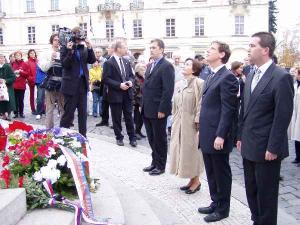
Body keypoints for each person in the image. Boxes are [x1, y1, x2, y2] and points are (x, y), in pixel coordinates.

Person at [237, 32, 294, 225]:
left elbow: (282, 116)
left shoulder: (281, 77)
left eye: (252, 45)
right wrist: (240, 136)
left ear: (265, 50)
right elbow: (244, 109)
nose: (248, 49)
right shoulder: (251, 73)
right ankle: (256, 220)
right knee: (251, 189)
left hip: (267, 148)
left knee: (266, 195)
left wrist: (274, 147)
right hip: (249, 145)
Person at [197, 41, 238, 223]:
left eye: (212, 49)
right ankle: (215, 201)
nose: (208, 50)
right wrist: (201, 130)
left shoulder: (227, 77)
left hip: (218, 135)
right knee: (211, 171)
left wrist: (221, 134)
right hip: (207, 132)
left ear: (222, 54)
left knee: (221, 172)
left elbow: (228, 110)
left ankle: (223, 209)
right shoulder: (211, 75)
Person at [169, 58, 204, 194]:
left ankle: (196, 181)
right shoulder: (178, 84)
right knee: (182, 152)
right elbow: (174, 104)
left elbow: (201, 104)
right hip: (179, 123)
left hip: (191, 124)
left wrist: (198, 121)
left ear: (194, 69)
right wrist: (173, 119)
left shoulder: (199, 83)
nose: (184, 65)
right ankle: (191, 179)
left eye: (188, 64)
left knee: (192, 152)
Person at [142, 39, 175, 176]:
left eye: (154, 47)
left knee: (159, 138)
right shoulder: (150, 65)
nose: (151, 50)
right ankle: (154, 162)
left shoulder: (166, 66)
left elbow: (168, 90)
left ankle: (161, 165)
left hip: (158, 110)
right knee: (151, 137)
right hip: (147, 108)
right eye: (150, 47)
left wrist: (163, 109)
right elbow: (147, 87)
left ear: (161, 49)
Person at [59, 27, 96, 137]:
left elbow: (92, 60)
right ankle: (61, 135)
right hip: (70, 86)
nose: (80, 38)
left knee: (83, 114)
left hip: (82, 84)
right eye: (78, 35)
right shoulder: (65, 47)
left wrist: (89, 48)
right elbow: (65, 65)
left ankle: (83, 137)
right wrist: (70, 51)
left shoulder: (82, 47)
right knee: (69, 114)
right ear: (73, 35)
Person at [102, 40, 137, 147]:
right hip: (115, 94)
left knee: (129, 117)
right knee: (116, 117)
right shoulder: (109, 62)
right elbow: (105, 79)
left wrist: (130, 82)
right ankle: (119, 137)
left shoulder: (126, 61)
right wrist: (119, 85)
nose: (126, 49)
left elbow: (131, 75)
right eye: (124, 47)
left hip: (127, 94)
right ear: (118, 49)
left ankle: (132, 138)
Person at [39, 33, 65, 128]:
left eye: (59, 40)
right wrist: (51, 60)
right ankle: (49, 130)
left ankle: (63, 129)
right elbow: (43, 68)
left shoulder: (64, 52)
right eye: (55, 40)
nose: (57, 41)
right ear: (51, 41)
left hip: (63, 83)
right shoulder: (46, 53)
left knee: (63, 108)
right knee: (49, 109)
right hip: (51, 82)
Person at [96, 43, 114, 127]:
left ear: (114, 49)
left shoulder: (115, 59)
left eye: (109, 48)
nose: (107, 49)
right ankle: (104, 120)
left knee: (113, 106)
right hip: (105, 85)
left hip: (112, 86)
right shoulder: (107, 58)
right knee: (104, 104)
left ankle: (114, 122)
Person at [11, 50, 29, 118]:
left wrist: (21, 72)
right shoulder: (13, 64)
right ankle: (16, 113)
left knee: (21, 100)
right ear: (15, 57)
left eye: (19, 55)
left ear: (21, 56)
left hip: (22, 85)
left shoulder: (24, 64)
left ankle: (21, 113)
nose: (18, 57)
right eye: (16, 55)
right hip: (14, 85)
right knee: (15, 100)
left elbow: (27, 74)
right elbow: (11, 73)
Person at [231, 61, 245, 144]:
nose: (242, 69)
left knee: (236, 119)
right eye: (240, 68)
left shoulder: (241, 77)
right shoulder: (230, 76)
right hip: (231, 100)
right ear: (235, 68)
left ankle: (235, 139)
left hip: (238, 100)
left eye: (242, 68)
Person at [0, 54, 16, 120]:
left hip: (8, 87)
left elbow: (13, 77)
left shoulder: (8, 66)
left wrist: (5, 80)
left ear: (4, 59)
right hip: (0, 88)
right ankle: (3, 114)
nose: (1, 59)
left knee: (8, 101)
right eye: (0, 58)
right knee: (1, 101)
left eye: (2, 58)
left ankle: (9, 114)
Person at [133, 63, 146, 140]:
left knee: (141, 119)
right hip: (137, 103)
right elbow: (134, 92)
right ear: (138, 70)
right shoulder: (135, 79)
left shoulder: (142, 78)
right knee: (137, 118)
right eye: (142, 70)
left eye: (144, 69)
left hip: (142, 102)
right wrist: (137, 103)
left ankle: (139, 131)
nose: (144, 71)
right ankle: (135, 132)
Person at [290, 67, 300, 165]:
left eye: (295, 73)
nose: (294, 74)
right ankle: (297, 157)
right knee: (296, 137)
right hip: (296, 113)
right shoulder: (295, 84)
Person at [26, 49, 37, 115]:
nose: (32, 54)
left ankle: (42, 108)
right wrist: (32, 79)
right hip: (31, 81)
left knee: (40, 95)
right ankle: (33, 109)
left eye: (33, 53)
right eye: (31, 53)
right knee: (32, 95)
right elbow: (27, 73)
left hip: (39, 80)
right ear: (29, 55)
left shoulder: (37, 61)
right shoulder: (27, 63)